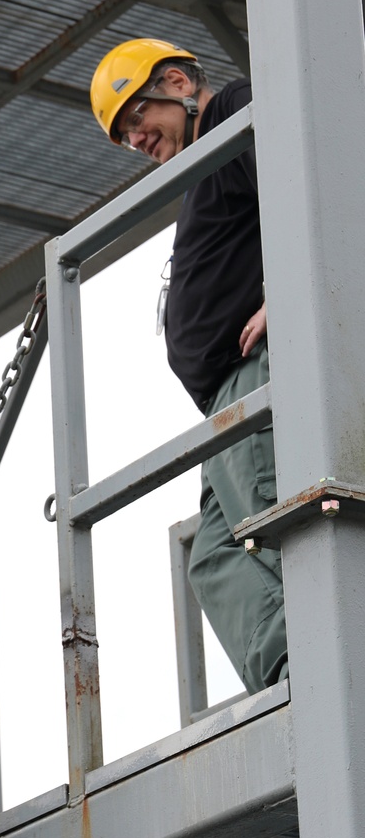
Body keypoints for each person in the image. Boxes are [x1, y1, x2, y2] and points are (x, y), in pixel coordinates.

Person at [90, 39, 287, 694]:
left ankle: (337, 668)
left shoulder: (235, 111)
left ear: (176, 81)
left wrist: (286, 295)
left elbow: (308, 188)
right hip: (227, 403)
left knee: (278, 521)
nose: (134, 139)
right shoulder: (206, 158)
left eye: (136, 119)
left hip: (261, 375)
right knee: (215, 555)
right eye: (122, 136)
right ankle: (299, 672)